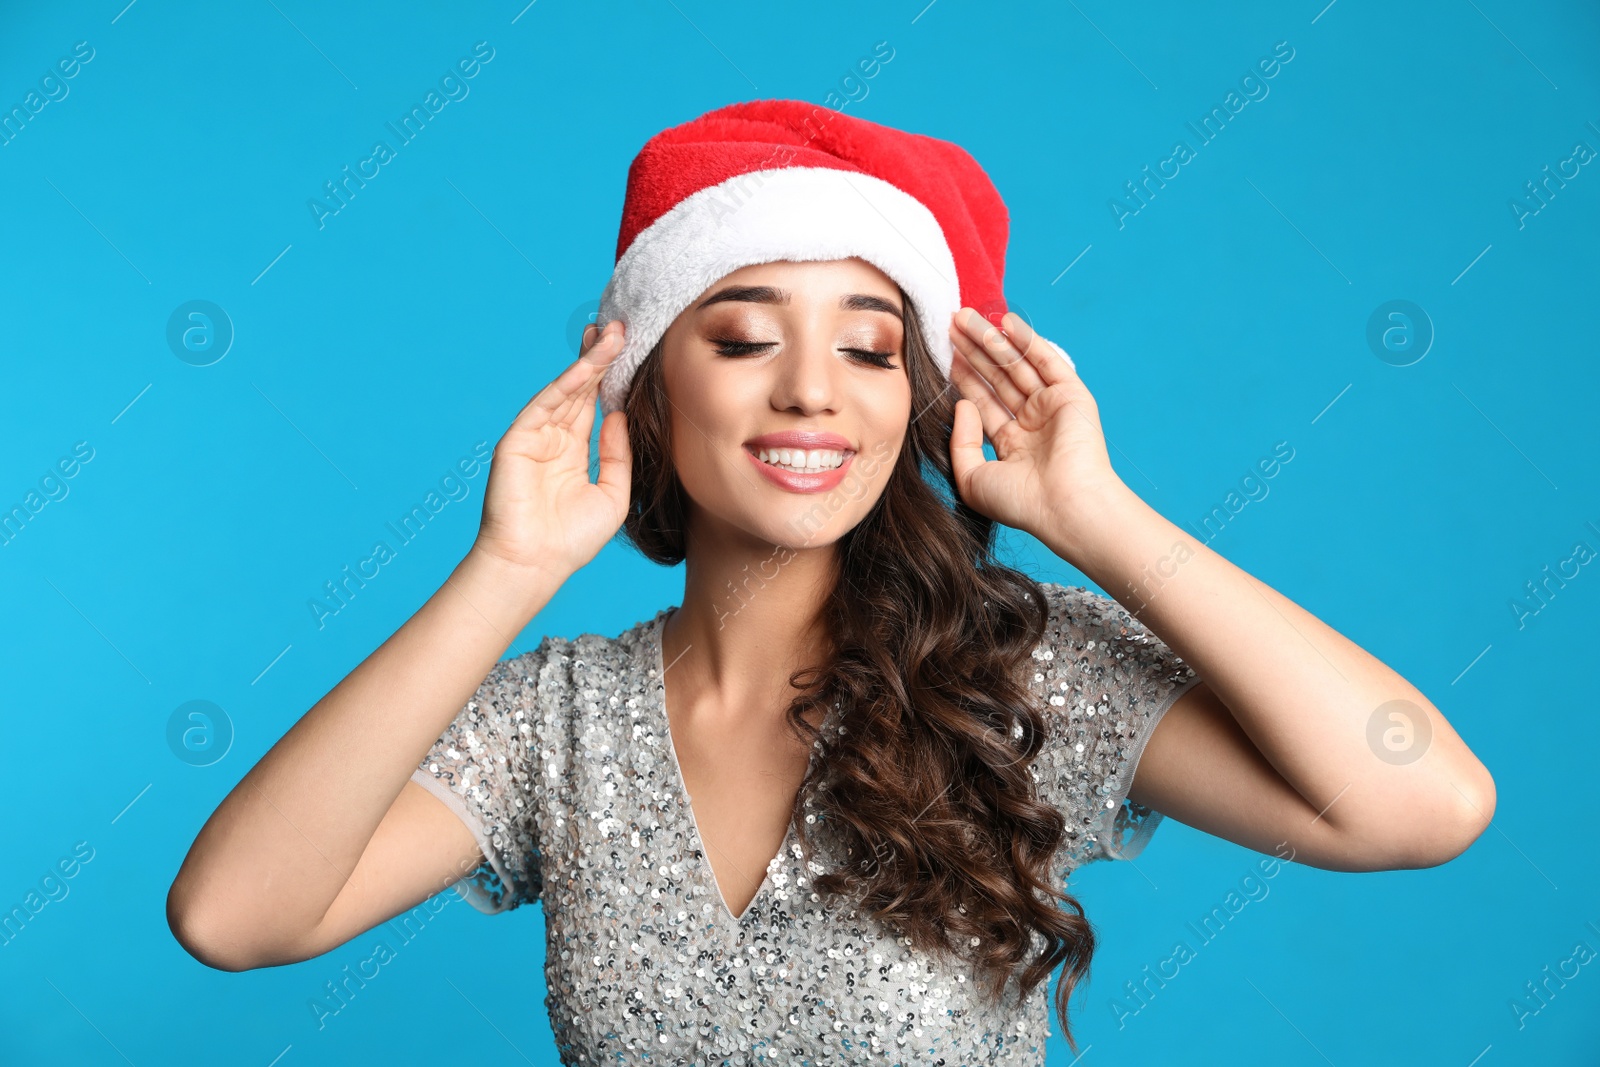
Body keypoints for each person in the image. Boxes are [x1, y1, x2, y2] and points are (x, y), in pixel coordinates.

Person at [165, 100, 1495, 1063]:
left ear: (908, 401)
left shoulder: (1016, 680)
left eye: (869, 352)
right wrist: (508, 569)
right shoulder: (549, 725)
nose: (809, 389)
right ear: (642, 381)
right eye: (743, 337)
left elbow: (1422, 803)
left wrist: (1094, 517)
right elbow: (234, 917)